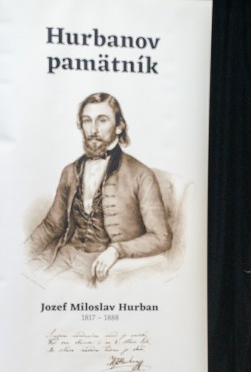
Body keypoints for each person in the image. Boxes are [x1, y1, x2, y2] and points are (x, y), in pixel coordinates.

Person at [27, 92, 172, 283]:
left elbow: (161, 237)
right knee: (28, 277)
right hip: (62, 254)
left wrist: (117, 250)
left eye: (102, 120)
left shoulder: (141, 174)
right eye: (87, 120)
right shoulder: (70, 171)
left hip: (98, 266)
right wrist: (20, 254)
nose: (93, 129)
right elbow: (52, 225)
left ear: (119, 126)